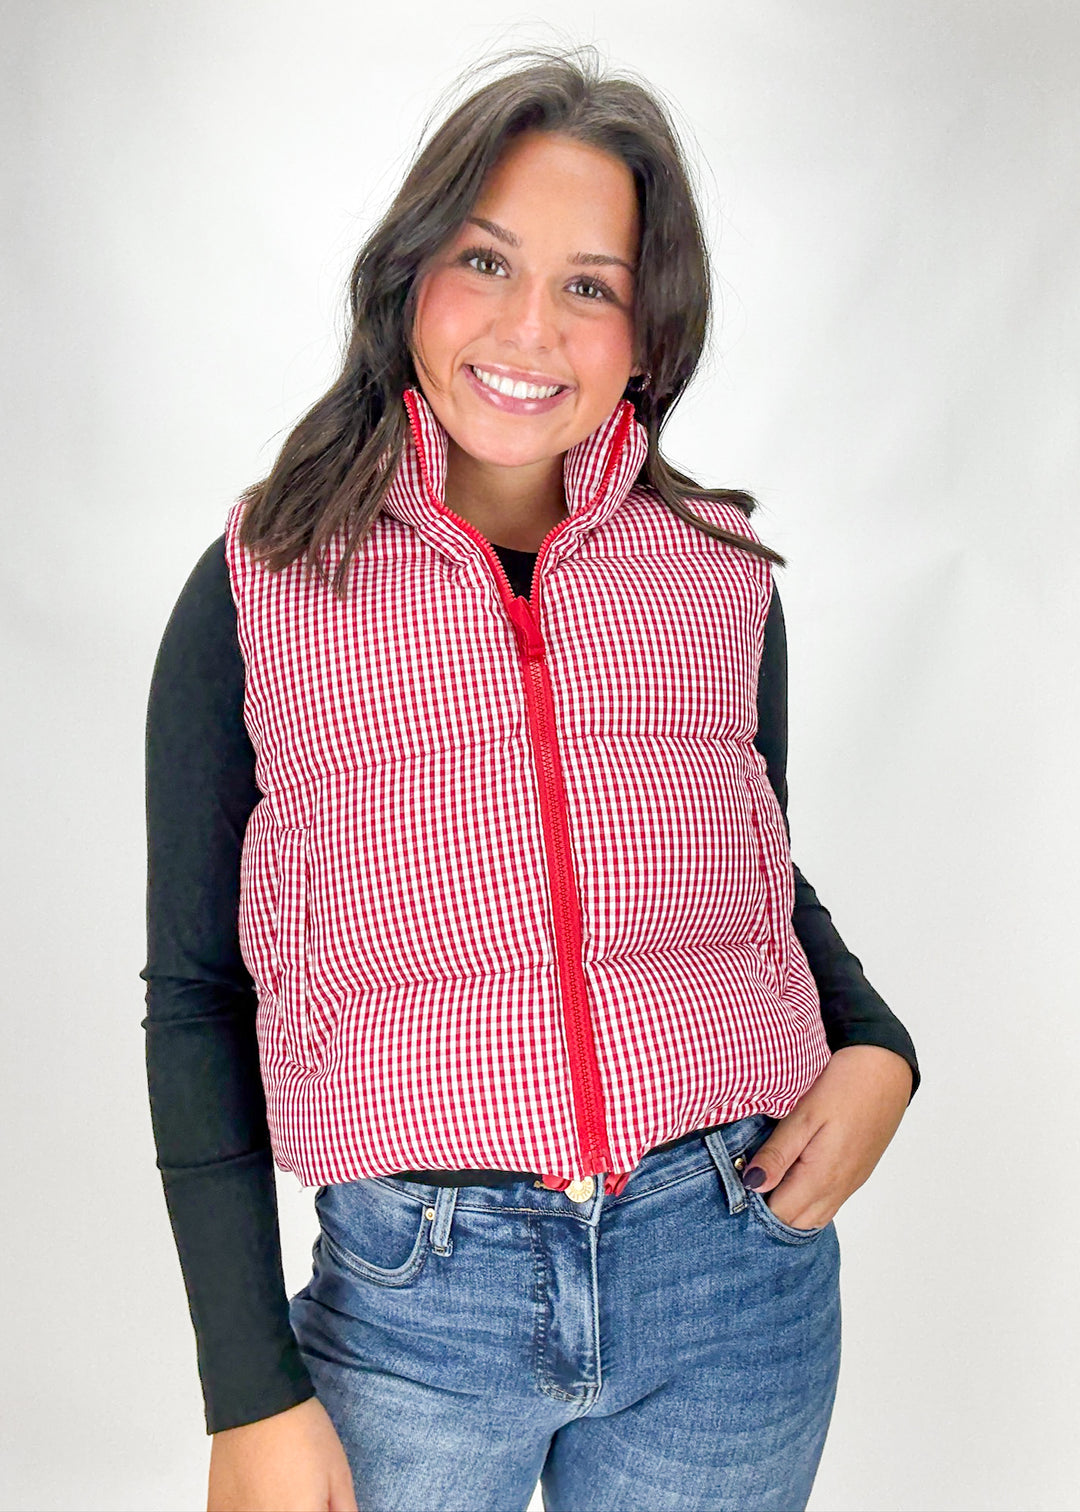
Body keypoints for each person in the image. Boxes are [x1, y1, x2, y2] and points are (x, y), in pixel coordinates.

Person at [141, 46, 920, 1512]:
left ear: (649, 331)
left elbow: (754, 873)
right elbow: (195, 992)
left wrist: (877, 1046)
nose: (527, 326)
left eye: (590, 283)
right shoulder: (265, 582)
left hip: (733, 1275)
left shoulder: (718, 576)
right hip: (414, 1309)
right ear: (409, 280)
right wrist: (246, 1388)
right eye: (484, 260)